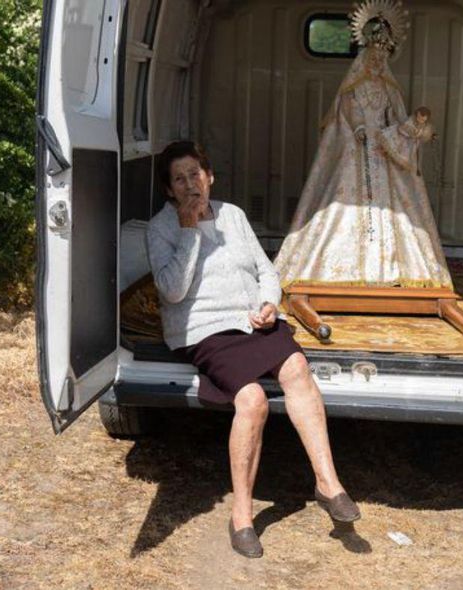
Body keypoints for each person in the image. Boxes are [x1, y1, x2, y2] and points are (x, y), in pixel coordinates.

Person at [145, 141, 360, 558]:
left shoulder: (234, 215)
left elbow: (266, 269)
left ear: (210, 177)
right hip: (205, 329)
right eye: (179, 179)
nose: (190, 184)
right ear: (169, 190)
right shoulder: (163, 228)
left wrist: (268, 304)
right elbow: (172, 292)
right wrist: (189, 231)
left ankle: (327, 483)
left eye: (195, 174)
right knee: (253, 399)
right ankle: (241, 516)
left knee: (297, 366)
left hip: (252, 320)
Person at [274, 2, 451, 290]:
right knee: (341, 206)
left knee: (394, 212)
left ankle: (391, 269)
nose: (378, 60)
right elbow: (345, 112)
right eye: (375, 54)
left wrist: (412, 127)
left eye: (383, 55)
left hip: (382, 151)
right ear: (366, 53)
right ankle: (337, 269)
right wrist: (357, 127)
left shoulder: (389, 88)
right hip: (356, 150)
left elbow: (395, 120)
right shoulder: (353, 86)